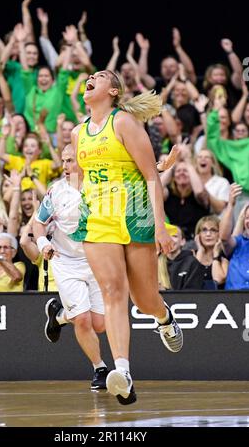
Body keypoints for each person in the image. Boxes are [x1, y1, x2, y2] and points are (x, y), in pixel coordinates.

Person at [70, 70, 183, 405]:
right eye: (89, 76)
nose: (90, 78)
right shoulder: (78, 134)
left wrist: (161, 225)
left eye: (99, 76)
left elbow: (149, 175)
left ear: (113, 91)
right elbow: (80, 179)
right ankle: (124, 373)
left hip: (135, 214)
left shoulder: (123, 123)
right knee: (112, 292)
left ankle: (164, 317)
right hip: (97, 220)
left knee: (144, 299)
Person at [33, 144, 109, 391]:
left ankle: (58, 316)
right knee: (84, 320)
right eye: (63, 161)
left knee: (100, 324)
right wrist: (43, 243)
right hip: (65, 261)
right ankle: (99, 368)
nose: (65, 166)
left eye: (71, 161)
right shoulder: (56, 191)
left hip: (95, 260)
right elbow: (38, 224)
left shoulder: (101, 187)